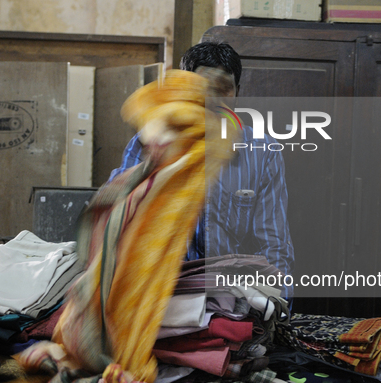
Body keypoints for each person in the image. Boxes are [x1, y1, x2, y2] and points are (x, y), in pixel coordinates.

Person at [108, 42, 295, 300]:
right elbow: (118, 218)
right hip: (163, 296)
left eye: (223, 89)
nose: (213, 100)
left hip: (232, 299)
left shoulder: (263, 152)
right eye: (203, 89)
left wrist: (279, 304)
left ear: (237, 93)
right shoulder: (150, 141)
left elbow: (274, 242)